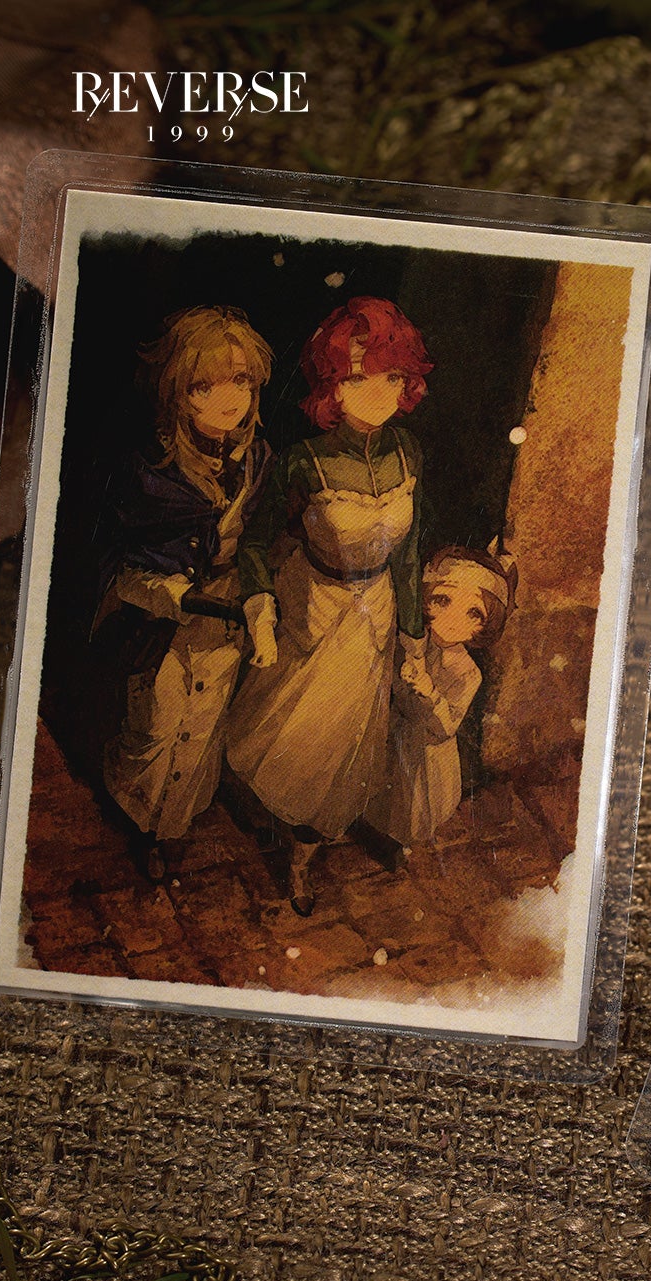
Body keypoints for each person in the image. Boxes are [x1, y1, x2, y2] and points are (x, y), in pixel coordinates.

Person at [225, 295, 433, 915]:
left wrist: (414, 634)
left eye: (392, 378)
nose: (379, 394)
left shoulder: (408, 453)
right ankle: (282, 828)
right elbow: (256, 543)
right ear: (333, 385)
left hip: (376, 611)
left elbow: (409, 554)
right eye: (361, 378)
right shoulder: (305, 461)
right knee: (295, 735)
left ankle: (305, 854)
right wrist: (261, 605)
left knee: (349, 739)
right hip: (311, 606)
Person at [99, 305, 273, 880]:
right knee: (155, 722)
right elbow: (122, 565)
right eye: (205, 385)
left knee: (204, 722)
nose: (229, 398)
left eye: (241, 380)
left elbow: (258, 539)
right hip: (158, 618)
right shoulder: (148, 469)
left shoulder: (257, 459)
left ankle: (172, 826)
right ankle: (139, 817)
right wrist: (178, 596)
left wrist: (252, 599)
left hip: (227, 611)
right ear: (176, 391)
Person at [366, 545, 518, 853]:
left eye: (473, 613)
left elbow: (446, 727)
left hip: (428, 753)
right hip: (396, 734)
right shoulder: (413, 645)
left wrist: (430, 693)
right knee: (385, 796)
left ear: (486, 626)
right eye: (443, 601)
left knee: (415, 807)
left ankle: (403, 843)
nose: (452, 620)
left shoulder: (468, 673)